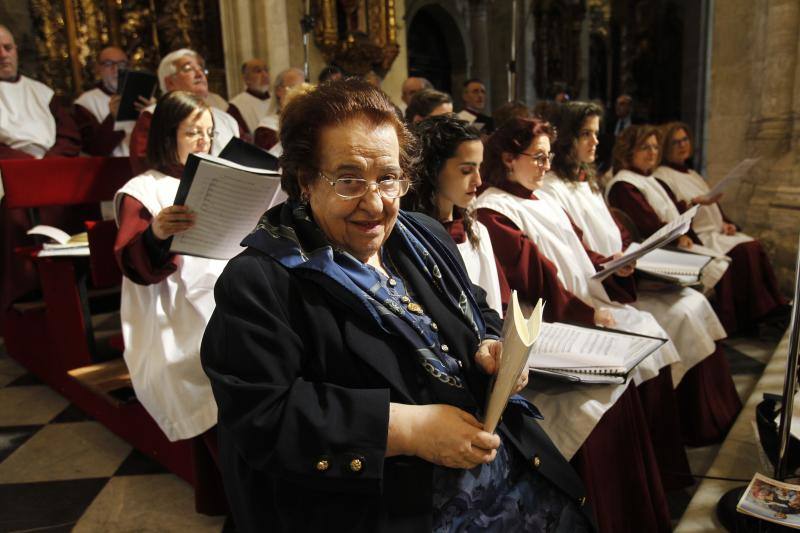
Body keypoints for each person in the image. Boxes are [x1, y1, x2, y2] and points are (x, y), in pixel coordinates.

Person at [201, 78, 594, 532]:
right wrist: (407, 429)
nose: (375, 203)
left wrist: (491, 345)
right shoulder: (261, 280)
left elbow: (476, 307)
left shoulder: (422, 235)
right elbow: (262, 417)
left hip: (504, 469)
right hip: (391, 505)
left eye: (388, 178)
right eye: (348, 179)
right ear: (306, 180)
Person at [475, 117, 680, 532]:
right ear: (509, 158)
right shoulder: (495, 209)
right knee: (622, 369)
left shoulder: (542, 198)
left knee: (651, 338)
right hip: (549, 318)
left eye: (549, 156)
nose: (546, 166)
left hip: (578, 303)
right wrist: (588, 314)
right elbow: (538, 276)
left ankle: (658, 480)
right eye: (538, 157)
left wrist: (613, 268)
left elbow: (579, 248)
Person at [540, 102, 740, 450]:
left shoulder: (587, 184)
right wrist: (611, 263)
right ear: (566, 138)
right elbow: (573, 248)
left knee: (692, 305)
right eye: (585, 134)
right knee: (673, 319)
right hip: (596, 288)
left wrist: (629, 255)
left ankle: (706, 421)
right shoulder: (551, 189)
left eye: (596, 134)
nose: (594, 142)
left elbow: (618, 230)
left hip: (616, 277)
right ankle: (682, 432)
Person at [113, 91, 228, 513]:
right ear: (167, 134)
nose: (203, 141)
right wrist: (157, 234)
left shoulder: (215, 176)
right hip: (172, 315)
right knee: (213, 366)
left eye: (209, 132)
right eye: (193, 132)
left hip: (222, 298)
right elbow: (132, 263)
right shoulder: (142, 190)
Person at [605, 125, 768, 337]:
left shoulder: (648, 178)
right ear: (629, 151)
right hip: (657, 253)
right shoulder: (624, 184)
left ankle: (730, 327)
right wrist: (678, 238)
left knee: (722, 262)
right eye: (645, 147)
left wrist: (693, 208)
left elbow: (672, 210)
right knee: (718, 266)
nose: (652, 152)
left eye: (655, 147)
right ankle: (725, 330)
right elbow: (647, 224)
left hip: (672, 244)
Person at [653, 121, 787, 334]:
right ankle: (755, 314)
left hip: (717, 231)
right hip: (700, 235)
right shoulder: (662, 175)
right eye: (675, 142)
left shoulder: (693, 173)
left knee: (753, 245)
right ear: (666, 147)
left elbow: (713, 204)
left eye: (685, 140)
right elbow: (671, 210)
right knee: (746, 250)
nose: (682, 145)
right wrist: (694, 204)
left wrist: (726, 223)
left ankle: (771, 307)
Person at [404, 115, 503, 315]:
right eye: (466, 170)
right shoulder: (410, 234)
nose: (478, 180)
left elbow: (493, 303)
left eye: (479, 167)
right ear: (433, 169)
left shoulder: (475, 230)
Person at [129, 49, 241, 170]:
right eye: (188, 68)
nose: (200, 74)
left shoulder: (226, 119)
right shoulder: (153, 115)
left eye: (201, 69)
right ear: (170, 82)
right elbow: (145, 162)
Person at [0, 25, 81, 159]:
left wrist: (50, 160)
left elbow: (69, 135)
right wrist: (26, 162)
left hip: (51, 164)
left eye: (7, 48)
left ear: (16, 51)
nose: (3, 55)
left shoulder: (42, 92)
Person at [73, 46, 134, 156]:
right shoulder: (85, 103)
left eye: (122, 64)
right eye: (108, 64)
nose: (116, 69)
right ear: (98, 69)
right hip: (112, 168)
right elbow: (93, 150)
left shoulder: (145, 98)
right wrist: (113, 118)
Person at [253, 67, 305, 151]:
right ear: (278, 91)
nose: (299, 93)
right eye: (293, 87)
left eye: (302, 88)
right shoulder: (267, 128)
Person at [227, 58, 271, 140]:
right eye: (258, 71)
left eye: (266, 70)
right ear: (246, 79)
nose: (265, 75)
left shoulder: (277, 99)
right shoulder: (235, 106)